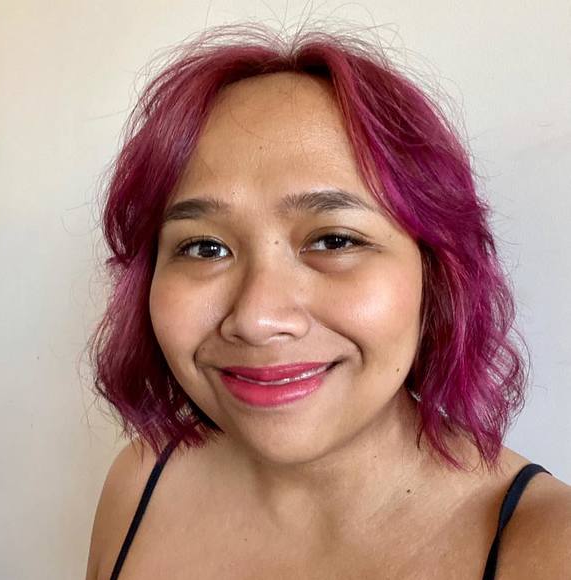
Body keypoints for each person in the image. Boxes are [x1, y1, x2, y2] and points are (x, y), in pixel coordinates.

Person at [84, 23, 571, 579]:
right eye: (204, 247)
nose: (258, 319)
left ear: (436, 272)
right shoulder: (140, 481)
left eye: (334, 241)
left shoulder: (548, 551)